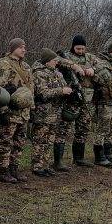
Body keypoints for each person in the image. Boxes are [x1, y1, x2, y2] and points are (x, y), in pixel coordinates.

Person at [0, 38, 33, 183]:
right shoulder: (4, 64)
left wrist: (31, 108)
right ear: (13, 48)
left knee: (19, 142)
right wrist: (3, 110)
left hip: (24, 112)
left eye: (25, 47)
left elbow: (31, 89)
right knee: (5, 142)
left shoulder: (27, 66)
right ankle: (3, 171)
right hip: (10, 111)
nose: (24, 50)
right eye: (21, 47)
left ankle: (14, 168)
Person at [58, 34, 99, 166]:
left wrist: (93, 69)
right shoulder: (66, 56)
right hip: (71, 97)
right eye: (78, 48)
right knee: (64, 128)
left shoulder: (90, 57)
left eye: (82, 48)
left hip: (87, 98)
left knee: (83, 128)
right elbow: (58, 60)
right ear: (73, 47)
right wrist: (75, 66)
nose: (80, 51)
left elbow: (103, 65)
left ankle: (79, 158)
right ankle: (58, 160)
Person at [30, 49, 73, 177]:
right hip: (43, 113)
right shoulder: (39, 74)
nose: (56, 63)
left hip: (55, 113)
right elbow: (42, 93)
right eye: (54, 61)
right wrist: (61, 91)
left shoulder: (58, 74)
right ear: (48, 61)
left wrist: (69, 90)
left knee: (50, 140)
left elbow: (64, 87)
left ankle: (46, 164)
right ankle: (37, 166)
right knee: (40, 140)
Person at [91, 41, 112, 166]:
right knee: (102, 129)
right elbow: (98, 79)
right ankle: (99, 157)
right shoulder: (102, 64)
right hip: (105, 102)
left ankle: (108, 154)